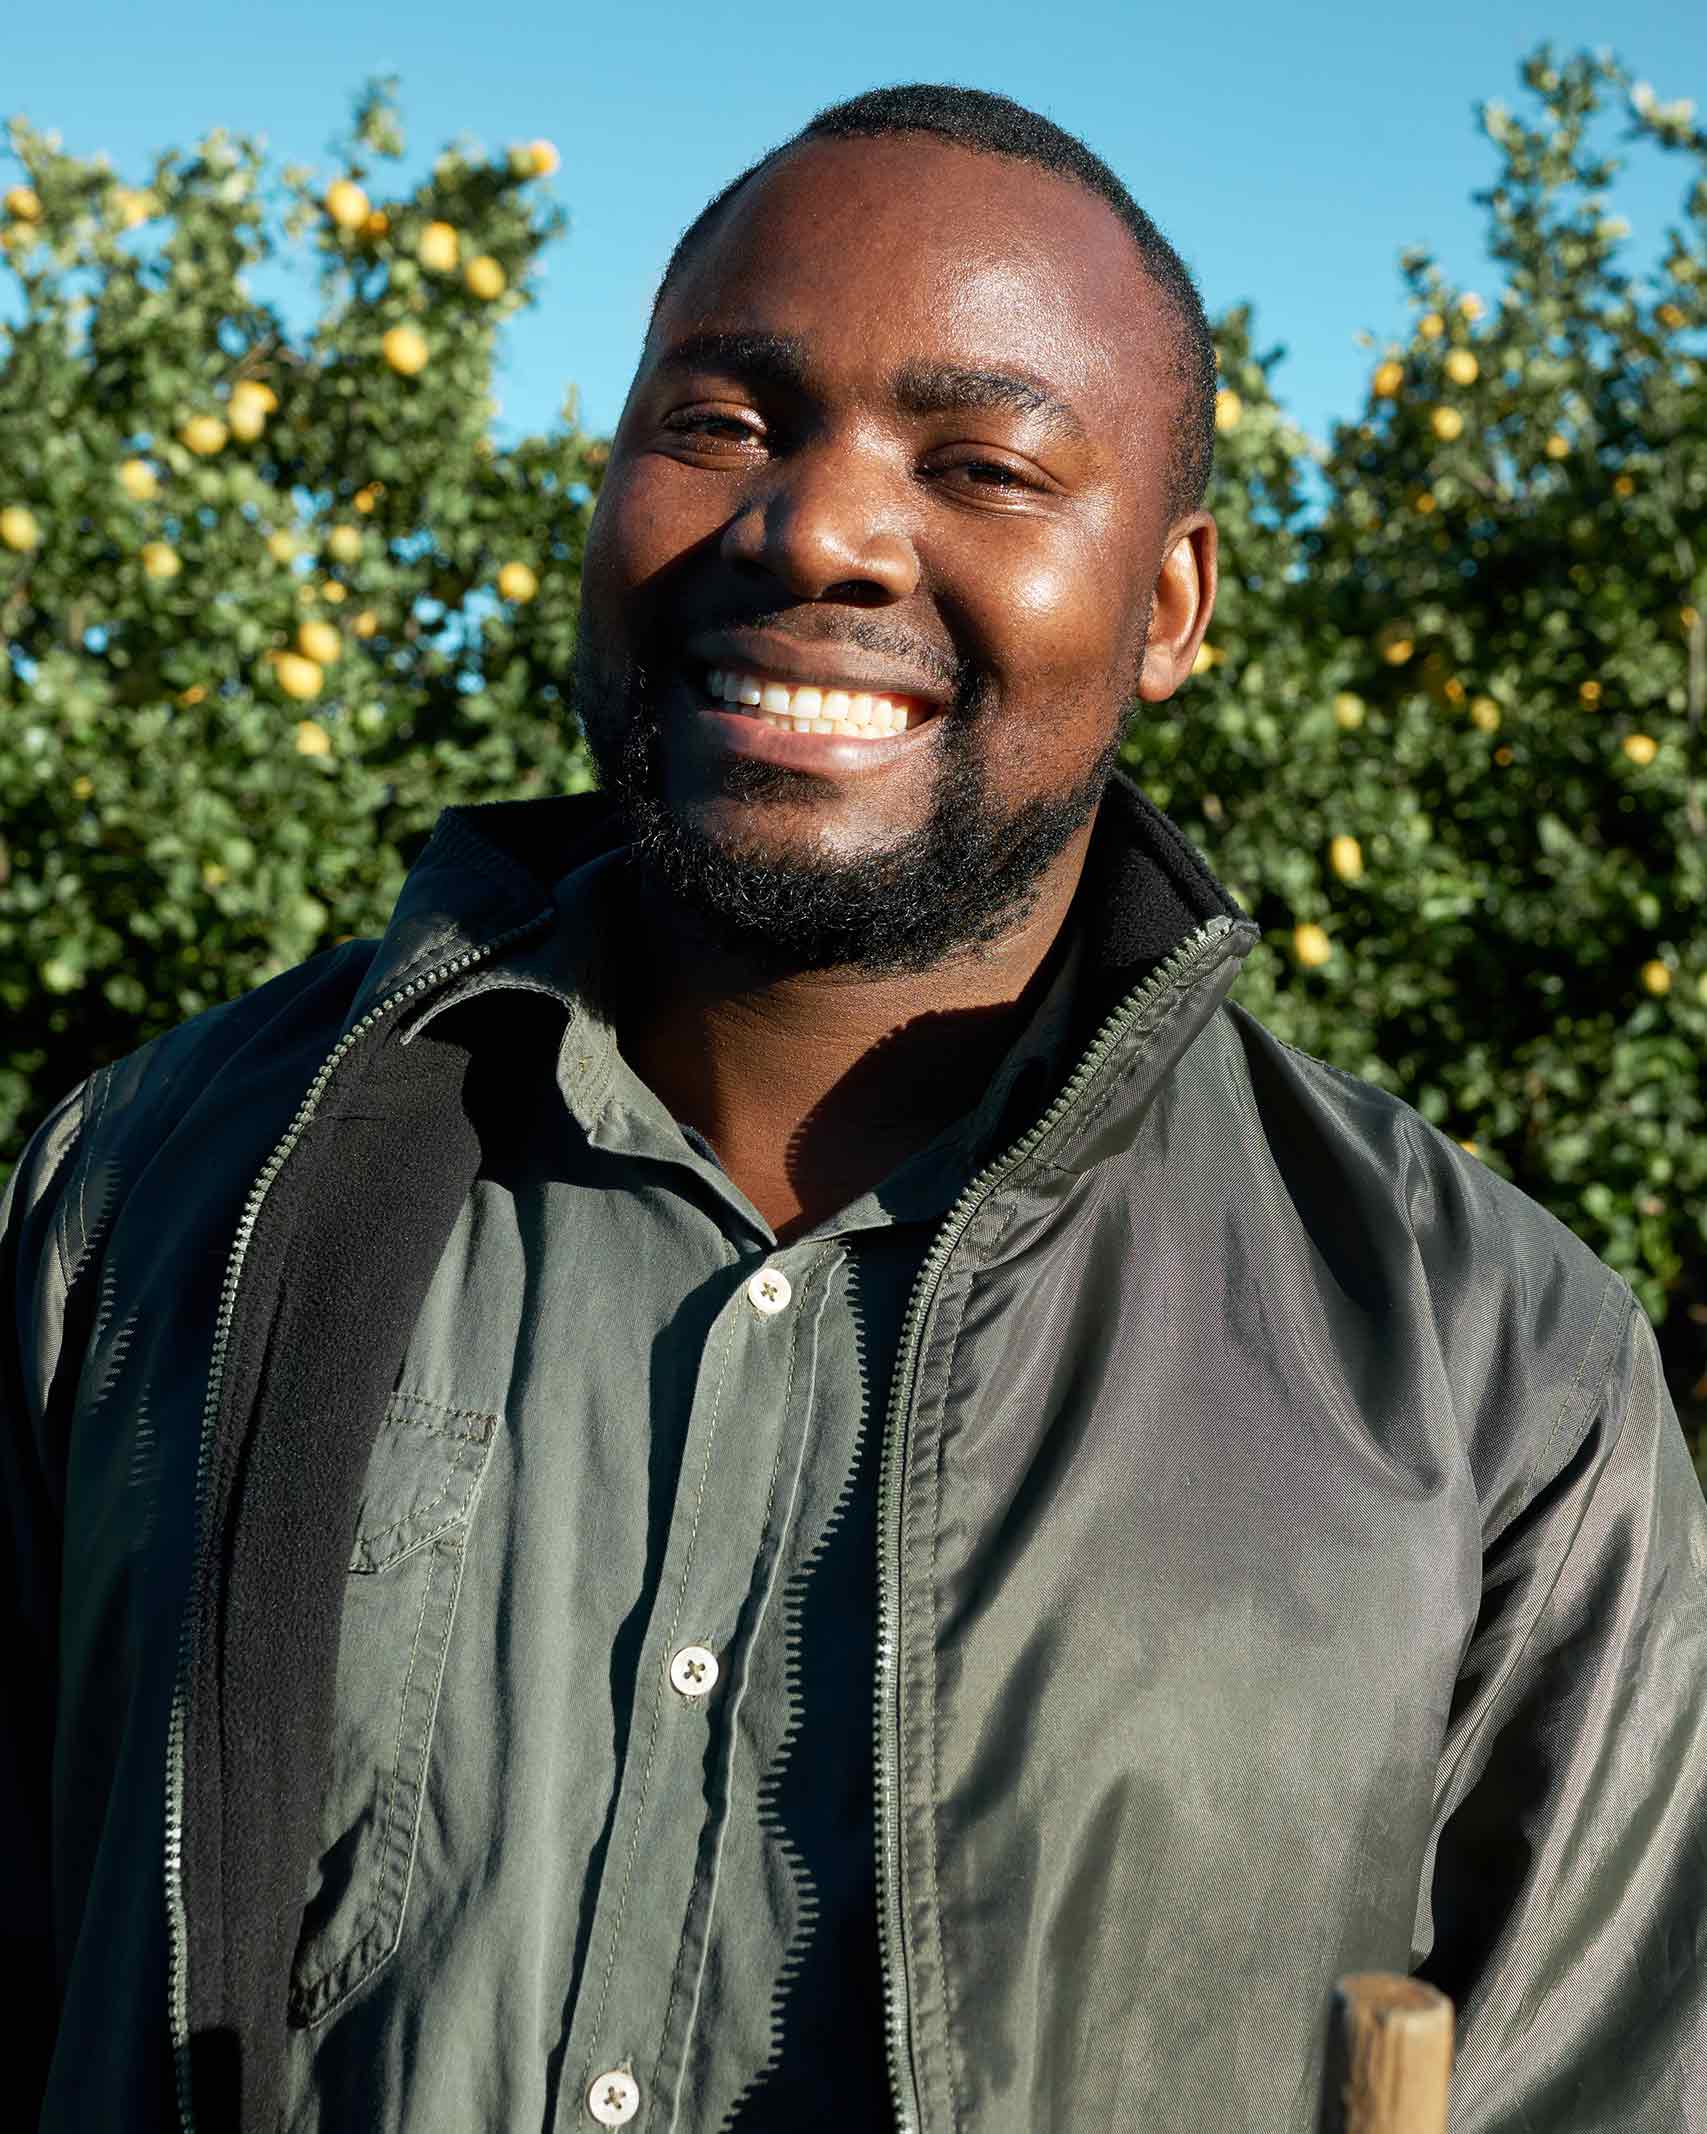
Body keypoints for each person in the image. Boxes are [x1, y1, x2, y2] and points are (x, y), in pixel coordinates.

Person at [3, 83, 1703, 2134]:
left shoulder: (1495, 1380)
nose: (814, 529)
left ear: (1171, 606)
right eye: (723, 424)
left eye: (981, 464)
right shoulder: (152, 1196)